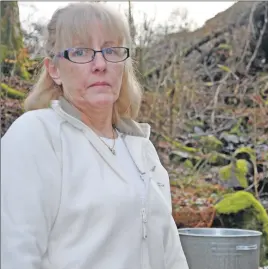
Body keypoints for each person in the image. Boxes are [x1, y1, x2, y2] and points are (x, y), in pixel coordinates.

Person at [1, 2, 189, 269]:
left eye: (111, 50)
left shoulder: (140, 149)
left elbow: (171, 254)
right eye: (80, 52)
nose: (100, 64)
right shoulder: (36, 136)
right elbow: (14, 254)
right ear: (54, 69)